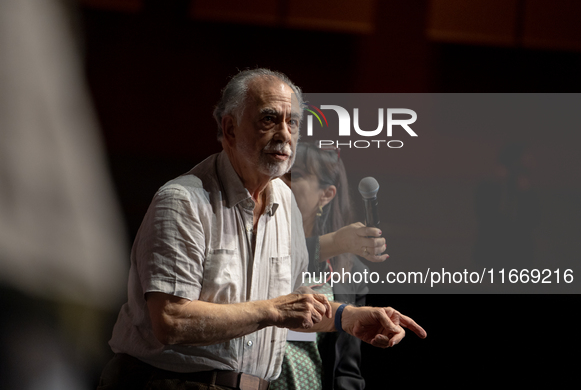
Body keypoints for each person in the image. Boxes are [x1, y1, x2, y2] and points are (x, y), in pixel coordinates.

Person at [98, 68, 426, 390]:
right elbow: (171, 320)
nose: (284, 134)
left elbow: (297, 307)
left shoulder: (285, 203)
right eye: (269, 119)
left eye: (292, 122)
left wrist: (348, 318)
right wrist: (273, 309)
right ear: (229, 129)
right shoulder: (183, 201)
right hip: (170, 382)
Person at [272, 142, 383, 390]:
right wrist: (337, 241)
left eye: (295, 175)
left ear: (326, 194)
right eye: (280, 173)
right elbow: (277, 260)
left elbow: (346, 368)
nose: (282, 181)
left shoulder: (351, 270)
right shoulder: (257, 241)